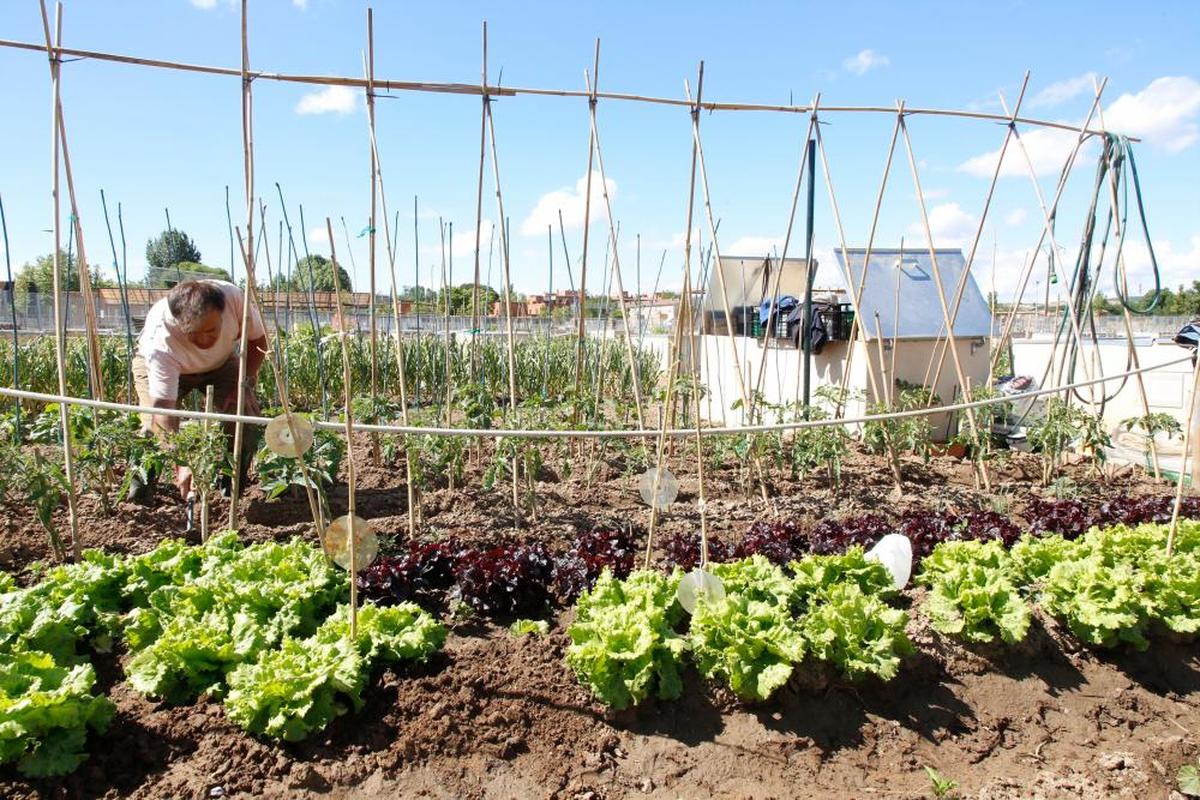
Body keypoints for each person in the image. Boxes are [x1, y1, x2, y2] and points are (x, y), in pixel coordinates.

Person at [131, 279, 267, 500]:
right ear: (178, 323)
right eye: (193, 333)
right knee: (151, 429)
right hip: (167, 367)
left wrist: (243, 384)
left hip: (221, 364)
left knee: (245, 416)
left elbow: (259, 341)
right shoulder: (160, 340)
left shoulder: (234, 299)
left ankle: (229, 493)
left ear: (223, 314)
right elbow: (163, 411)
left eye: (212, 330)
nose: (204, 339)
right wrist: (181, 462)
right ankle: (139, 498)